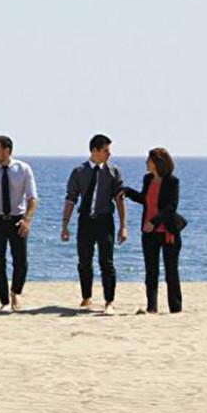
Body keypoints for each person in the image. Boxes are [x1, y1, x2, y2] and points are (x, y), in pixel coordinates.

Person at [61, 134, 128, 314]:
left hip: (105, 220)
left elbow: (120, 200)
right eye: (106, 150)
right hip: (85, 221)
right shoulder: (79, 172)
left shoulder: (113, 172)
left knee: (106, 261)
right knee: (84, 261)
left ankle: (109, 301)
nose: (109, 154)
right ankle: (86, 297)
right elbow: (70, 199)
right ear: (94, 151)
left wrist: (123, 226)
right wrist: (65, 225)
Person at [0, 135, 38, 313]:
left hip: (17, 219)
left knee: (21, 261)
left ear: (7, 150)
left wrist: (27, 220)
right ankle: (4, 300)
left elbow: (32, 198)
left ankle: (15, 293)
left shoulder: (23, 169)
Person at [120, 147, 184, 314]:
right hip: (149, 234)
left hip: (168, 232)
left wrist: (154, 222)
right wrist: (127, 192)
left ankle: (175, 309)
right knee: (151, 271)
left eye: (148, 160)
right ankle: (152, 307)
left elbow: (171, 207)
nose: (146, 163)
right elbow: (144, 199)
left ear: (157, 163)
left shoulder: (172, 181)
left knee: (171, 272)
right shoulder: (148, 179)